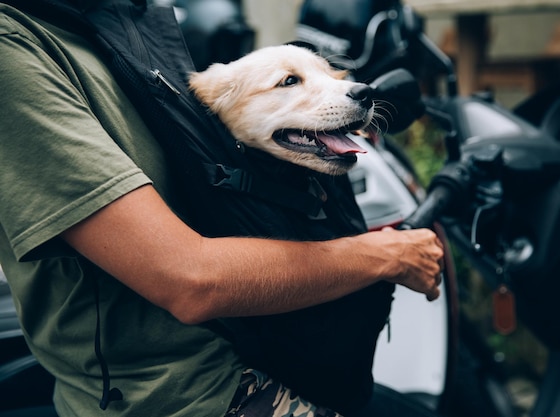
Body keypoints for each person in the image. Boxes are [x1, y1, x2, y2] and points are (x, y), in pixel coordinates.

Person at [0, 1, 444, 416]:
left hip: (258, 346)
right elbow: (191, 281)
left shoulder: (120, 21)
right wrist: (388, 255)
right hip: (184, 391)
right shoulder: (16, 46)